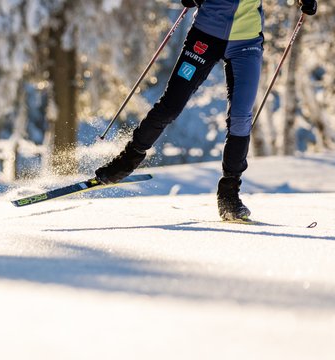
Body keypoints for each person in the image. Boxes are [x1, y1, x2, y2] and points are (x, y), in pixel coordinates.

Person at [95, 0, 317, 221]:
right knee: (170, 106)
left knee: (241, 118)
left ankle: (229, 194)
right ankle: (126, 161)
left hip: (246, 43)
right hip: (205, 36)